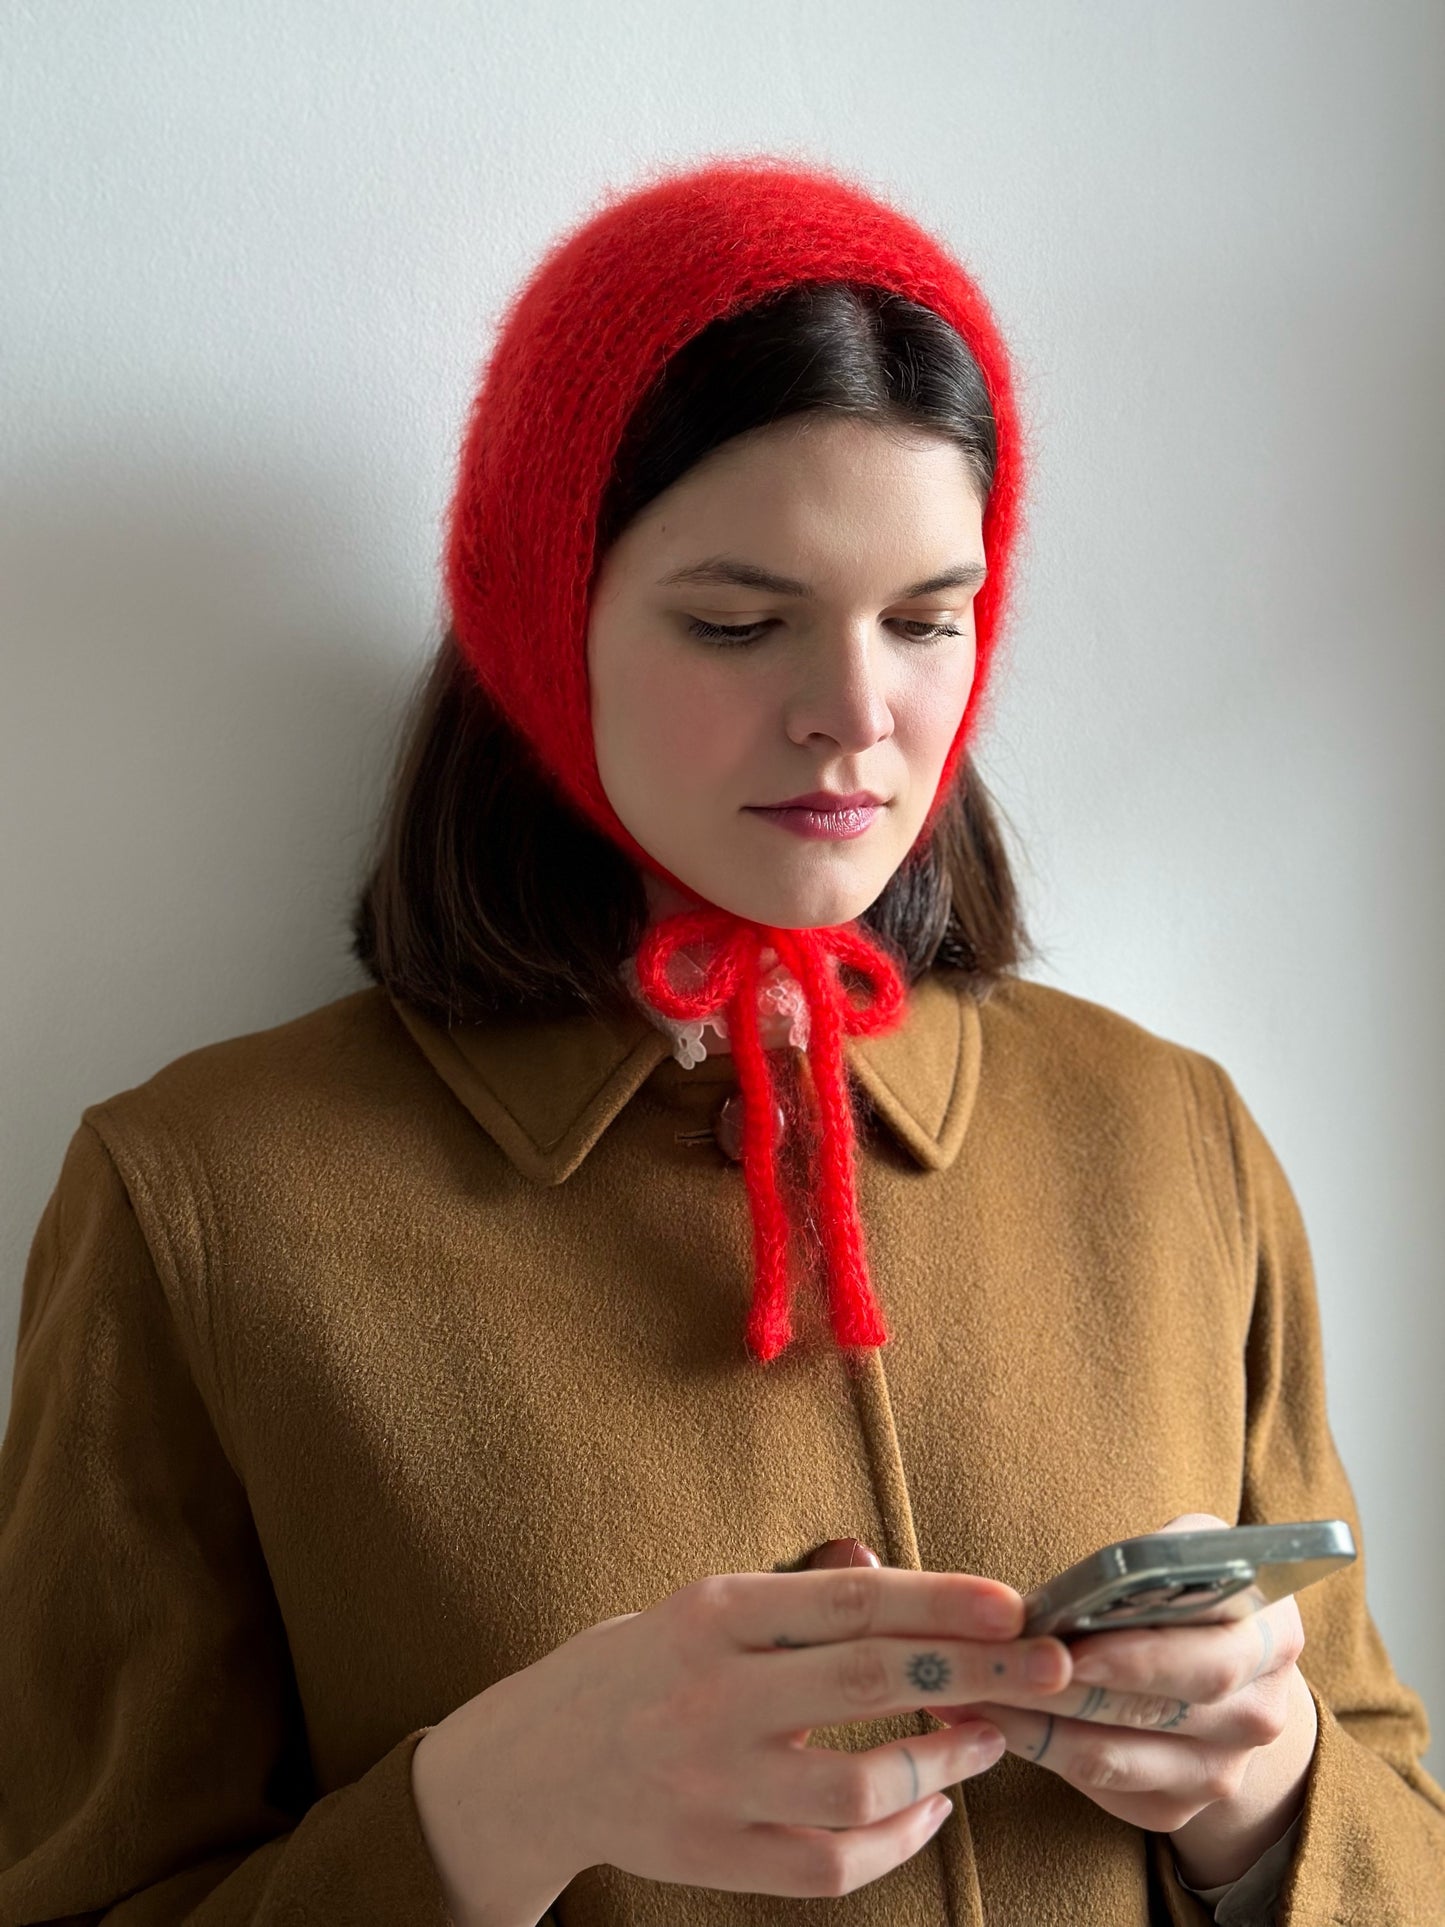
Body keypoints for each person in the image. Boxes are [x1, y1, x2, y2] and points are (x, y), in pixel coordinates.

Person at [1, 155, 1441, 1927]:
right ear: (549, 611)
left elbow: (1399, 1825)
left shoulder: (1171, 1139)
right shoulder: (200, 1206)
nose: (856, 718)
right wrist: (490, 1810)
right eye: (738, 622)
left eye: (929, 621)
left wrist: (1270, 1797)